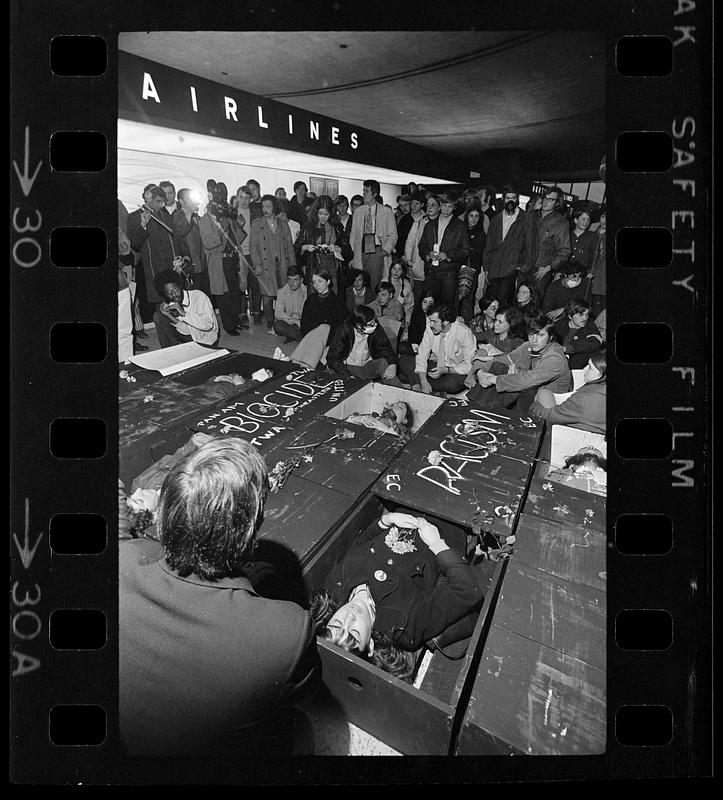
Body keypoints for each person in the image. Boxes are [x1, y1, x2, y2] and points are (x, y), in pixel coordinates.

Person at [119, 437, 320, 756]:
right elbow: (304, 696)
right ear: (253, 529)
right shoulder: (288, 631)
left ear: (165, 513)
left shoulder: (121, 561)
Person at [310, 509, 485, 680]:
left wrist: (386, 521)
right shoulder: (404, 623)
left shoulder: (335, 587)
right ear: (370, 646)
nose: (349, 616)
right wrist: (437, 544)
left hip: (406, 505)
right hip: (450, 521)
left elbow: (360, 546)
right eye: (354, 632)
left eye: (337, 623)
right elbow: (467, 590)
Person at [469, 313, 571, 411]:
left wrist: (493, 379)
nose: (534, 340)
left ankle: (485, 410)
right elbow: (507, 358)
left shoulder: (555, 357)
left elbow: (529, 380)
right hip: (528, 392)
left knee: (517, 385)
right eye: (531, 335)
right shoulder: (528, 346)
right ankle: (475, 406)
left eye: (540, 335)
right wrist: (480, 372)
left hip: (546, 401)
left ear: (551, 337)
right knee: (498, 366)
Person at [127, 184, 182, 314]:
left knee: (176, 300)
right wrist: (143, 225)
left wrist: (178, 260)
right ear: (148, 199)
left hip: (171, 266)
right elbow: (134, 243)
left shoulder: (165, 215)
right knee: (161, 305)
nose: (161, 205)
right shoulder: (134, 216)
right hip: (154, 268)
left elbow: (175, 239)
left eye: (162, 202)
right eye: (158, 202)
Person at [274, 271, 346, 369]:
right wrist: (310, 334)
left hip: (328, 338)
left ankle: (304, 362)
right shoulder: (311, 299)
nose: (316, 285)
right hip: (309, 335)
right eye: (314, 282)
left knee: (324, 327)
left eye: (320, 281)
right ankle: (304, 361)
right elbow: (305, 322)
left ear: (328, 282)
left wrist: (321, 337)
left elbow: (338, 326)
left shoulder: (337, 301)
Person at [529, 349, 606, 434]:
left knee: (542, 394)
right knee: (544, 393)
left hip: (571, 437)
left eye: (590, 367)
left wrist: (534, 406)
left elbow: (549, 416)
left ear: (603, 374)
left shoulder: (582, 400)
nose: (584, 369)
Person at [250, 194, 297, 334]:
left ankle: (284, 319)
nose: (265, 209)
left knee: (284, 293)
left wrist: (293, 267)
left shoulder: (283, 225)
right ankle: (270, 321)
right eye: (263, 206)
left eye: (268, 206)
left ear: (274, 208)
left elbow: (289, 247)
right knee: (268, 295)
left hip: (282, 264)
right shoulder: (257, 225)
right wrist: (257, 264)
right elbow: (253, 248)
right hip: (265, 264)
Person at [482, 186, 535, 307]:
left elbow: (531, 246)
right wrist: (486, 267)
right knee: (489, 302)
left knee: (503, 303)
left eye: (513, 198)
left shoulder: (526, 219)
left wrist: (524, 267)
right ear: (503, 200)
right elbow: (489, 245)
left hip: (511, 268)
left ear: (517, 200)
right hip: (494, 268)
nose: (510, 201)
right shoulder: (496, 219)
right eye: (507, 198)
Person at [198, 197, 243, 336]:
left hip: (232, 260)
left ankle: (235, 321)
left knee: (236, 294)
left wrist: (238, 225)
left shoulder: (226, 218)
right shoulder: (206, 219)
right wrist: (222, 230)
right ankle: (229, 326)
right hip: (218, 262)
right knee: (224, 296)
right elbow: (208, 243)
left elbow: (237, 239)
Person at [418, 191, 471, 311]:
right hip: (431, 271)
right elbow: (421, 245)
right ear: (440, 205)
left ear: (454, 207)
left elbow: (466, 250)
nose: (447, 209)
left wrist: (447, 255)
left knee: (446, 307)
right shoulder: (430, 225)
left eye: (450, 206)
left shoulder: (460, 226)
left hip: (449, 273)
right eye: (445, 205)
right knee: (429, 305)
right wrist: (427, 254)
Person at [414, 303, 476, 395]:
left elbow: (470, 366)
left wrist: (446, 370)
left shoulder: (464, 332)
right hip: (436, 365)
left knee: (453, 385)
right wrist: (423, 380)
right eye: (430, 321)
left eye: (434, 321)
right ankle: (425, 385)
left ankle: (417, 383)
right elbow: (422, 353)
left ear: (446, 321)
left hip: (454, 371)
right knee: (404, 361)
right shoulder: (430, 328)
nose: (431, 324)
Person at [295, 195, 351, 295]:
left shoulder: (336, 226)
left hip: (333, 266)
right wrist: (306, 247)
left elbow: (348, 249)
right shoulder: (309, 226)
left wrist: (338, 248)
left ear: (332, 213)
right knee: (316, 298)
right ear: (316, 212)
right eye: (320, 213)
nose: (323, 217)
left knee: (333, 297)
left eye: (327, 214)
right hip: (314, 266)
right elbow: (296, 248)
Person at [326, 305, 398, 381]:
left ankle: (399, 391)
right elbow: (333, 357)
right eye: (371, 324)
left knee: (384, 364)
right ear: (359, 326)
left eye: (374, 321)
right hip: (347, 367)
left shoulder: (376, 328)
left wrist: (392, 364)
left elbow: (385, 348)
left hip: (366, 366)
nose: (375, 325)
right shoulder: (344, 331)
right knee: (328, 374)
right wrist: (347, 376)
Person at [350, 179, 398, 290]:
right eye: (363, 191)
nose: (363, 194)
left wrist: (385, 251)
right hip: (361, 251)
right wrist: (356, 250)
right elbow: (353, 235)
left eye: (366, 191)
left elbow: (393, 234)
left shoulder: (386, 212)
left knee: (375, 284)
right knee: (361, 284)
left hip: (377, 252)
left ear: (375, 194)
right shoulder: (358, 212)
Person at [152, 269, 219, 348]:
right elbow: (186, 331)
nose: (174, 295)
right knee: (159, 316)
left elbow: (208, 325)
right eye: (169, 293)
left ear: (180, 286)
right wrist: (169, 316)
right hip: (189, 334)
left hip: (205, 337)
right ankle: (171, 351)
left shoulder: (198, 296)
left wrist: (184, 313)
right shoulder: (172, 303)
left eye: (175, 290)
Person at [464, 306, 527, 390]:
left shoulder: (517, 341)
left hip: (501, 373)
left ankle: (473, 387)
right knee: (481, 352)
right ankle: (471, 386)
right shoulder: (491, 333)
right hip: (483, 370)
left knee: (486, 357)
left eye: (500, 322)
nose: (495, 324)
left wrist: (489, 357)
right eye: (495, 320)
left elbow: (511, 357)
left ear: (511, 325)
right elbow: (473, 337)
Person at [530, 186, 571, 299]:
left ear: (557, 203)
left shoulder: (561, 223)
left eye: (551, 199)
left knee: (535, 302)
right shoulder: (533, 216)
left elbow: (565, 251)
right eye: (545, 198)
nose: (546, 201)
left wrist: (549, 267)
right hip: (524, 266)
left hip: (541, 269)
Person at [172, 188, 211, 299]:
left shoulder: (196, 217)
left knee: (202, 295)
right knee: (191, 296)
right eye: (189, 198)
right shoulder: (177, 215)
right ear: (181, 201)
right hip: (188, 264)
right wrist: (189, 213)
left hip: (201, 263)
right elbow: (181, 231)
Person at [232, 185, 259, 327]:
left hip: (254, 253)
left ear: (251, 199)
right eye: (241, 197)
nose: (244, 200)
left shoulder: (255, 212)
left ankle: (256, 313)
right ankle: (242, 314)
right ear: (237, 197)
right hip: (239, 254)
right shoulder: (232, 213)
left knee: (255, 285)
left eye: (247, 198)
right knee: (241, 285)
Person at [553, 298, 603, 369]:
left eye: (587, 314)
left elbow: (595, 343)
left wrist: (567, 348)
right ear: (570, 316)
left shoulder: (589, 325)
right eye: (581, 315)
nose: (585, 318)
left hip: (577, 368)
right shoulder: (560, 324)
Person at [457, 206, 486, 323]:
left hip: (471, 271)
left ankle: (466, 328)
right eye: (471, 215)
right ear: (466, 216)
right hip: (456, 269)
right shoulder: (459, 229)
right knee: (455, 300)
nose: (473, 219)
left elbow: (477, 254)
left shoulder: (481, 234)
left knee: (467, 301)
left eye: (476, 216)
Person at [402, 190, 429, 302]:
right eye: (412, 203)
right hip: (407, 259)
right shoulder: (405, 219)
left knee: (420, 291)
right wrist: (405, 258)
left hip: (421, 260)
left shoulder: (426, 219)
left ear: (422, 205)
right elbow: (405, 241)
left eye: (417, 203)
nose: (414, 206)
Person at [273, 265, 307, 343]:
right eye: (289, 279)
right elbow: (278, 313)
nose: (292, 283)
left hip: (304, 322)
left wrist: (301, 322)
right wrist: (295, 321)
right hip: (289, 321)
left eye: (295, 280)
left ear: (301, 280)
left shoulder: (307, 292)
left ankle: (293, 335)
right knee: (278, 326)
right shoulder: (281, 292)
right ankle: (303, 338)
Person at [382, 259, 415, 333]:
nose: (396, 272)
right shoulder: (384, 282)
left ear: (403, 271)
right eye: (394, 268)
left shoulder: (406, 285)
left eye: (399, 269)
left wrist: (407, 320)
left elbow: (409, 306)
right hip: (384, 318)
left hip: (399, 319)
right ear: (390, 270)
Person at [345, 401, 412, 437]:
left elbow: (395, 438)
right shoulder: (373, 417)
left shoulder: (400, 430)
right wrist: (359, 418)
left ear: (404, 420)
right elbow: (347, 423)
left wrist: (380, 425)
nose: (396, 405)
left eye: (401, 408)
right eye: (396, 404)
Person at [588, 209, 606, 316]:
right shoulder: (592, 229)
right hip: (589, 275)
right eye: (603, 217)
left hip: (602, 279)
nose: (605, 221)